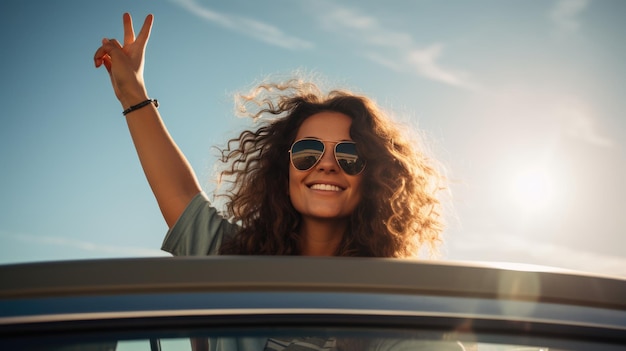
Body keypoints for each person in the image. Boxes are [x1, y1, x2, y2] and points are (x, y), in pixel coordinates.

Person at [95, 12, 451, 351]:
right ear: (284, 171)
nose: (326, 165)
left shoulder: (394, 303)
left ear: (374, 177)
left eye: (349, 155)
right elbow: (180, 194)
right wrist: (133, 93)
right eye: (308, 152)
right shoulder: (236, 262)